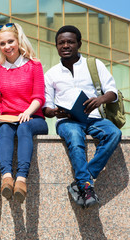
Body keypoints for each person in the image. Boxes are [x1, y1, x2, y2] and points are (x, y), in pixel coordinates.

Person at [43, 25, 122, 208]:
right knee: (75, 136)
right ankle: (86, 186)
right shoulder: (51, 74)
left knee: (114, 134)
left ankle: (83, 179)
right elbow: (46, 107)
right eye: (61, 43)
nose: (65, 46)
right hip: (67, 121)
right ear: (56, 46)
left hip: (93, 117)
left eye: (70, 42)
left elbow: (112, 92)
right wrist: (55, 112)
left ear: (79, 44)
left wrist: (100, 99)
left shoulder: (94, 64)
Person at [0, 23, 48, 203]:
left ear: (18, 41)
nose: (7, 46)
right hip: (9, 119)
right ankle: (7, 178)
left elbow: (39, 97)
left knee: (24, 128)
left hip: (34, 118)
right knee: (4, 130)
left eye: (10, 41)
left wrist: (27, 112)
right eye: (3, 43)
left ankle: (21, 180)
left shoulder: (34, 65)